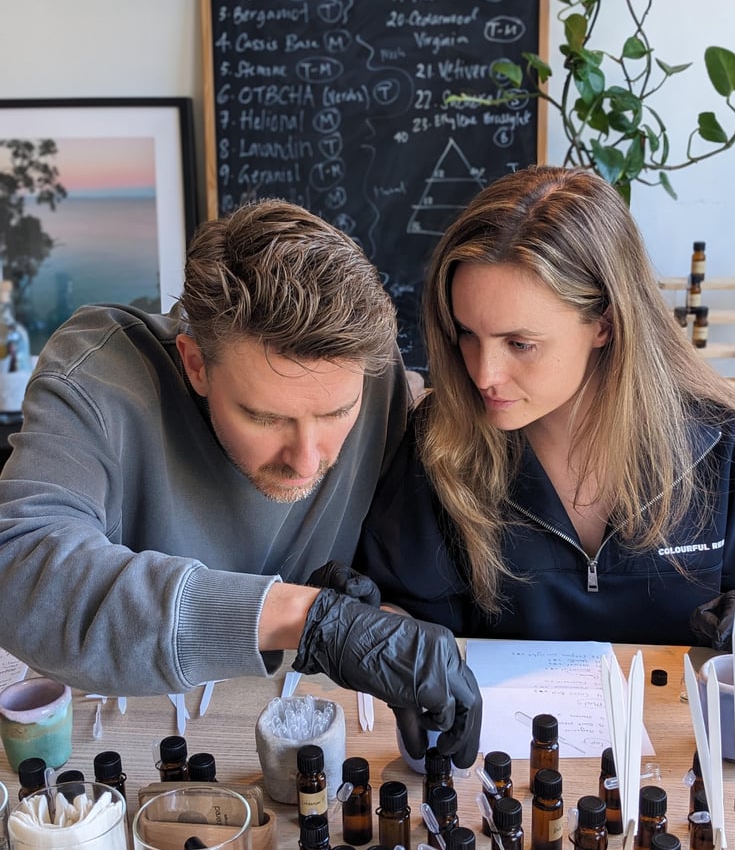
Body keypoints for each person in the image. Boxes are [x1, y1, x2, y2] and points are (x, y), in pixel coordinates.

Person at [0, 200, 481, 765]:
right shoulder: (99, 376)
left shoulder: (373, 377)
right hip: (121, 737)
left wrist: (381, 617)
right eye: (265, 417)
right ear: (196, 364)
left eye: (335, 414)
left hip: (310, 726)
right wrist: (307, 619)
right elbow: (20, 573)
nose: (307, 461)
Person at [355, 165, 735, 649]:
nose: (483, 374)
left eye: (520, 344)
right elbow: (401, 608)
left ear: (604, 324)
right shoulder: (438, 443)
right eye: (467, 333)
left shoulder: (731, 447)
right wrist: (370, 624)